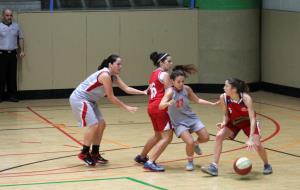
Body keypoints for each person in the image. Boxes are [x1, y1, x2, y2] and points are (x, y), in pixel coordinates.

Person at [70, 54, 147, 166]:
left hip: (91, 101)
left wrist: (143, 92)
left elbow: (126, 88)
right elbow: (110, 97)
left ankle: (95, 153)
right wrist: (126, 107)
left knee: (102, 124)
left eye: (121, 64)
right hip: (80, 99)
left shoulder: (113, 76)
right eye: (118, 64)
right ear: (110, 64)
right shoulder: (105, 75)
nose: (120, 66)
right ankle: (84, 153)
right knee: (94, 124)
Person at [201, 78, 273, 176]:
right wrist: (224, 122)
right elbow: (226, 114)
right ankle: (214, 167)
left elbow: (252, 119)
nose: (223, 87)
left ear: (234, 89)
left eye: (226, 86)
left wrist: (251, 138)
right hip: (233, 122)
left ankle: (267, 165)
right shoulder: (223, 97)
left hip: (248, 123)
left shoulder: (246, 98)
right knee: (219, 136)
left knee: (257, 145)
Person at [159, 65, 218, 171]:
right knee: (189, 142)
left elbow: (198, 100)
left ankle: (196, 144)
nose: (181, 84)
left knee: (205, 138)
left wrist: (212, 104)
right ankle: (190, 162)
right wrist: (168, 103)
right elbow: (160, 105)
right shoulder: (170, 92)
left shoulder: (187, 89)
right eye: (178, 82)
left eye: (183, 81)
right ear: (172, 82)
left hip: (191, 118)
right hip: (179, 123)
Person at [134, 51, 173, 172]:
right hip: (160, 107)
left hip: (151, 106)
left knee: (157, 135)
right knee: (167, 137)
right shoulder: (165, 74)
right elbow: (168, 92)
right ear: (161, 62)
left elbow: (150, 91)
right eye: (169, 61)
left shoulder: (153, 74)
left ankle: (142, 156)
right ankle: (150, 162)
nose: (171, 63)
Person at [0, 8, 25, 102]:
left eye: (11, 15)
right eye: (7, 15)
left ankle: (12, 96)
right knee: (1, 76)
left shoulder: (16, 26)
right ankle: (1, 96)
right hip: (1, 54)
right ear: (3, 16)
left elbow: (21, 38)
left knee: (12, 76)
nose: (9, 17)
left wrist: (22, 50)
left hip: (13, 54)